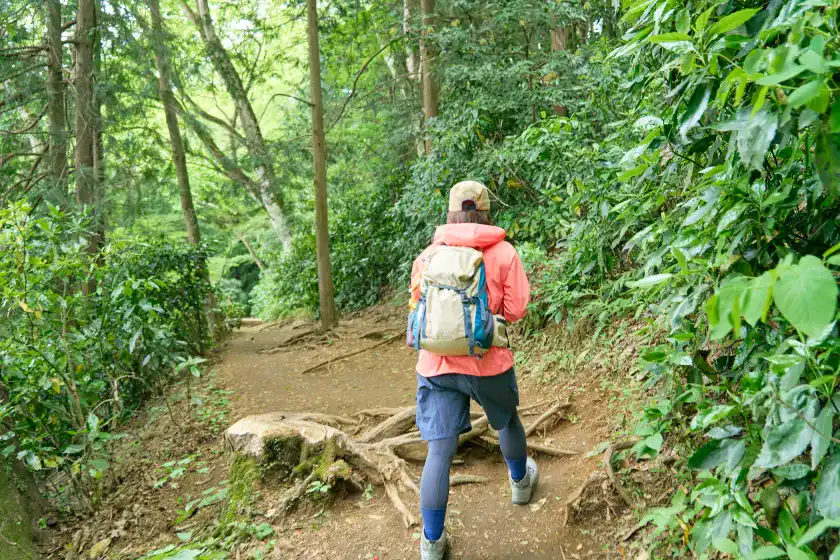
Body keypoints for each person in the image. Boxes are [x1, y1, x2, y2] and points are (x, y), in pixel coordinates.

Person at [408, 180, 535, 560]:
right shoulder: (504, 253)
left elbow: (416, 309)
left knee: (439, 452)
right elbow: (515, 311)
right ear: (485, 211)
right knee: (506, 421)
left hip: (436, 366)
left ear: (450, 213)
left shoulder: (428, 256)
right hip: (488, 362)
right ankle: (519, 482)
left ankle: (432, 542)